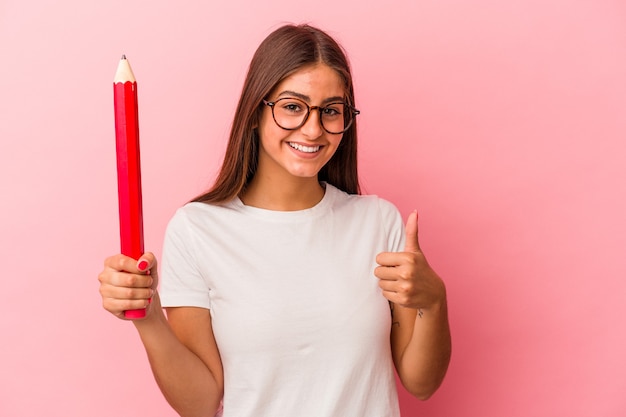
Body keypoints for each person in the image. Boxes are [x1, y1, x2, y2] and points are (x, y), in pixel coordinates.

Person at [98, 23, 451, 417]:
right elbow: (199, 404)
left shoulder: (378, 223)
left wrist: (433, 301)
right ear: (255, 111)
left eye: (331, 111)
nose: (313, 129)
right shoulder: (197, 230)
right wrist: (147, 317)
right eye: (292, 107)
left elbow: (422, 383)